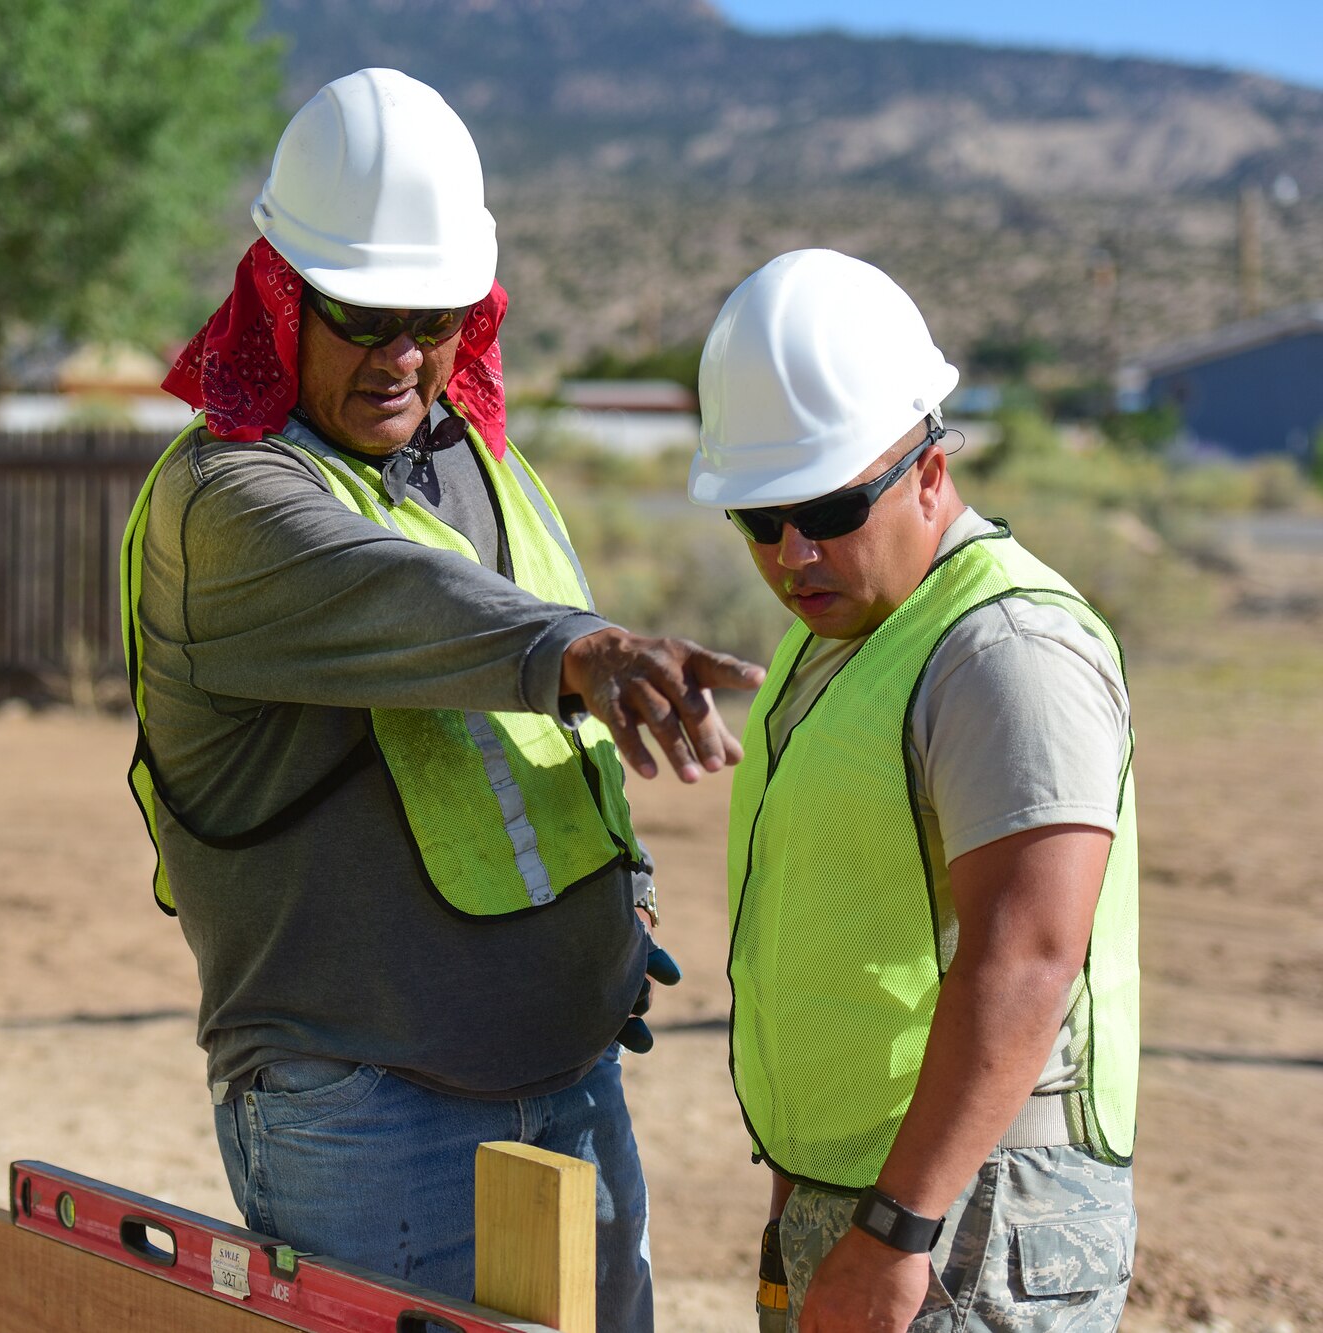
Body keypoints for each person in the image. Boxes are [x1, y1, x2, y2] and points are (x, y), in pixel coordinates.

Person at [121, 68, 763, 1329]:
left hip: (566, 1071)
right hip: (366, 1106)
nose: (401, 356)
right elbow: (408, 598)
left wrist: (613, 905)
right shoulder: (229, 502)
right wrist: (585, 653)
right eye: (361, 319)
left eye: (436, 317)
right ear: (280, 298)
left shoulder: (474, 459)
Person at [689, 249, 1139, 1333]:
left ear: (928, 470)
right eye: (758, 518)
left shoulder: (1005, 649)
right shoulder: (851, 635)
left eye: (830, 505)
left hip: (965, 1224)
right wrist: (805, 1190)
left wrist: (894, 1231)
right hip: (875, 1198)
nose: (793, 551)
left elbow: (1025, 955)